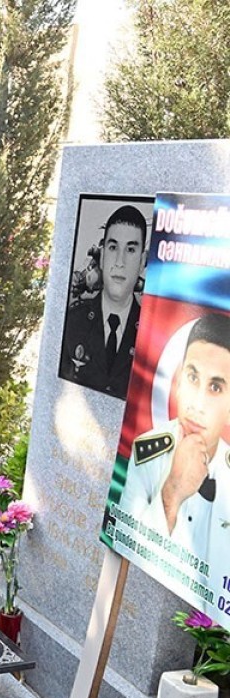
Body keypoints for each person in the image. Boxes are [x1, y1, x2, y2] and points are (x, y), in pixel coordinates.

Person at [120, 314, 230, 565]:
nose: (197, 405)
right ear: (178, 383)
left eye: (215, 388)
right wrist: (171, 494)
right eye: (193, 378)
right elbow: (127, 541)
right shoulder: (146, 452)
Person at [60, 205, 148, 399]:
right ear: (102, 257)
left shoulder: (150, 335)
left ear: (142, 262)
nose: (119, 261)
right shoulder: (73, 321)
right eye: (113, 247)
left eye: (131, 249)